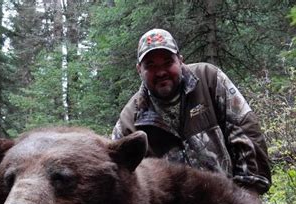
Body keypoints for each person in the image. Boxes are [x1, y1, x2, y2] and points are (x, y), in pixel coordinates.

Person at [112, 29, 271, 195]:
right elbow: (119, 177)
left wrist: (249, 193)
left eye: (168, 62)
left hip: (231, 202)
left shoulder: (209, 79)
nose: (160, 72)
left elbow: (246, 129)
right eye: (150, 65)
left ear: (180, 61)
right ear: (139, 69)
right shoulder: (129, 121)